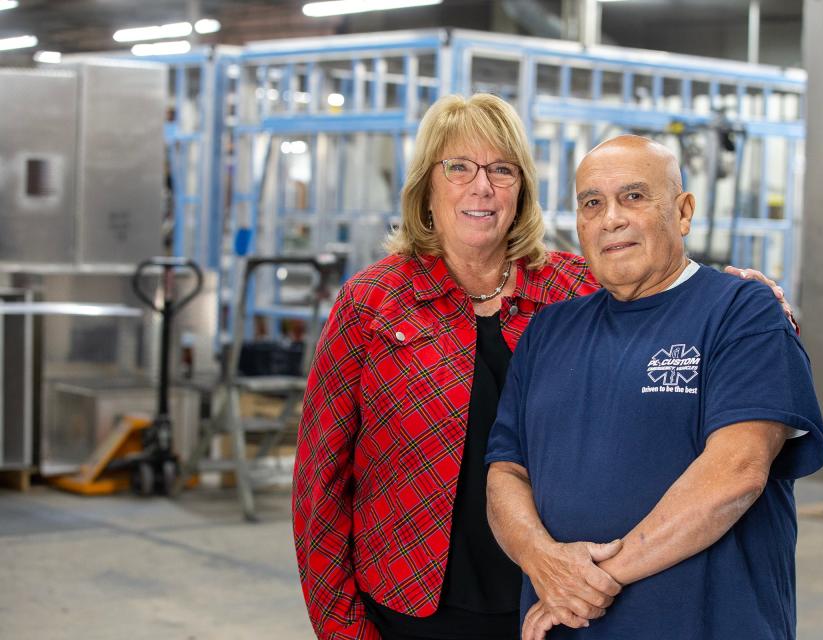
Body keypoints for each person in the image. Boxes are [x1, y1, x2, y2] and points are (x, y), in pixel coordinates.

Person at [293, 94, 794, 640]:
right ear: (426, 190)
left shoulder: (570, 290)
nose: (481, 186)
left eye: (501, 170)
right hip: (413, 606)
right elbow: (319, 483)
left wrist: (744, 294)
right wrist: (342, 627)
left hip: (559, 607)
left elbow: (656, 279)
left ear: (522, 191)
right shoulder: (371, 303)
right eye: (458, 167)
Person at [485, 135, 823, 640]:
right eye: (592, 203)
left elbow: (736, 473)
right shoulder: (548, 331)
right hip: (568, 622)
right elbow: (506, 473)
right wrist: (543, 561)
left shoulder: (743, 312)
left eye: (634, 197)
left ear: (684, 212)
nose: (611, 219)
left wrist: (589, 580)